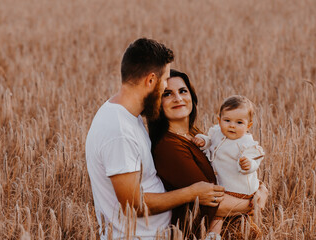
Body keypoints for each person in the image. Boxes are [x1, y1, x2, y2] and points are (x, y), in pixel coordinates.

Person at [85, 38, 225, 240]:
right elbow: (133, 205)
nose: (166, 91)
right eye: (164, 82)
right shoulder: (119, 131)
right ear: (151, 80)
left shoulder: (129, 116)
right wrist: (192, 192)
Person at [147, 70, 268, 239]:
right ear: (157, 103)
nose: (178, 98)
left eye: (183, 91)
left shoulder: (197, 135)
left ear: (192, 96)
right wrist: (254, 203)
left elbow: (228, 167)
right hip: (199, 234)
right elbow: (213, 204)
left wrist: (260, 188)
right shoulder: (168, 146)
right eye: (167, 94)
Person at [192, 95, 264, 237]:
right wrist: (203, 140)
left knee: (224, 212)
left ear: (248, 125)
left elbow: (255, 160)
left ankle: (248, 230)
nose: (232, 125)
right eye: (227, 120)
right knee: (218, 216)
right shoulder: (217, 133)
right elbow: (210, 142)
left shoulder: (246, 143)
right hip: (224, 185)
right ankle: (214, 235)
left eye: (239, 122)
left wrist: (248, 165)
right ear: (219, 121)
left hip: (240, 189)